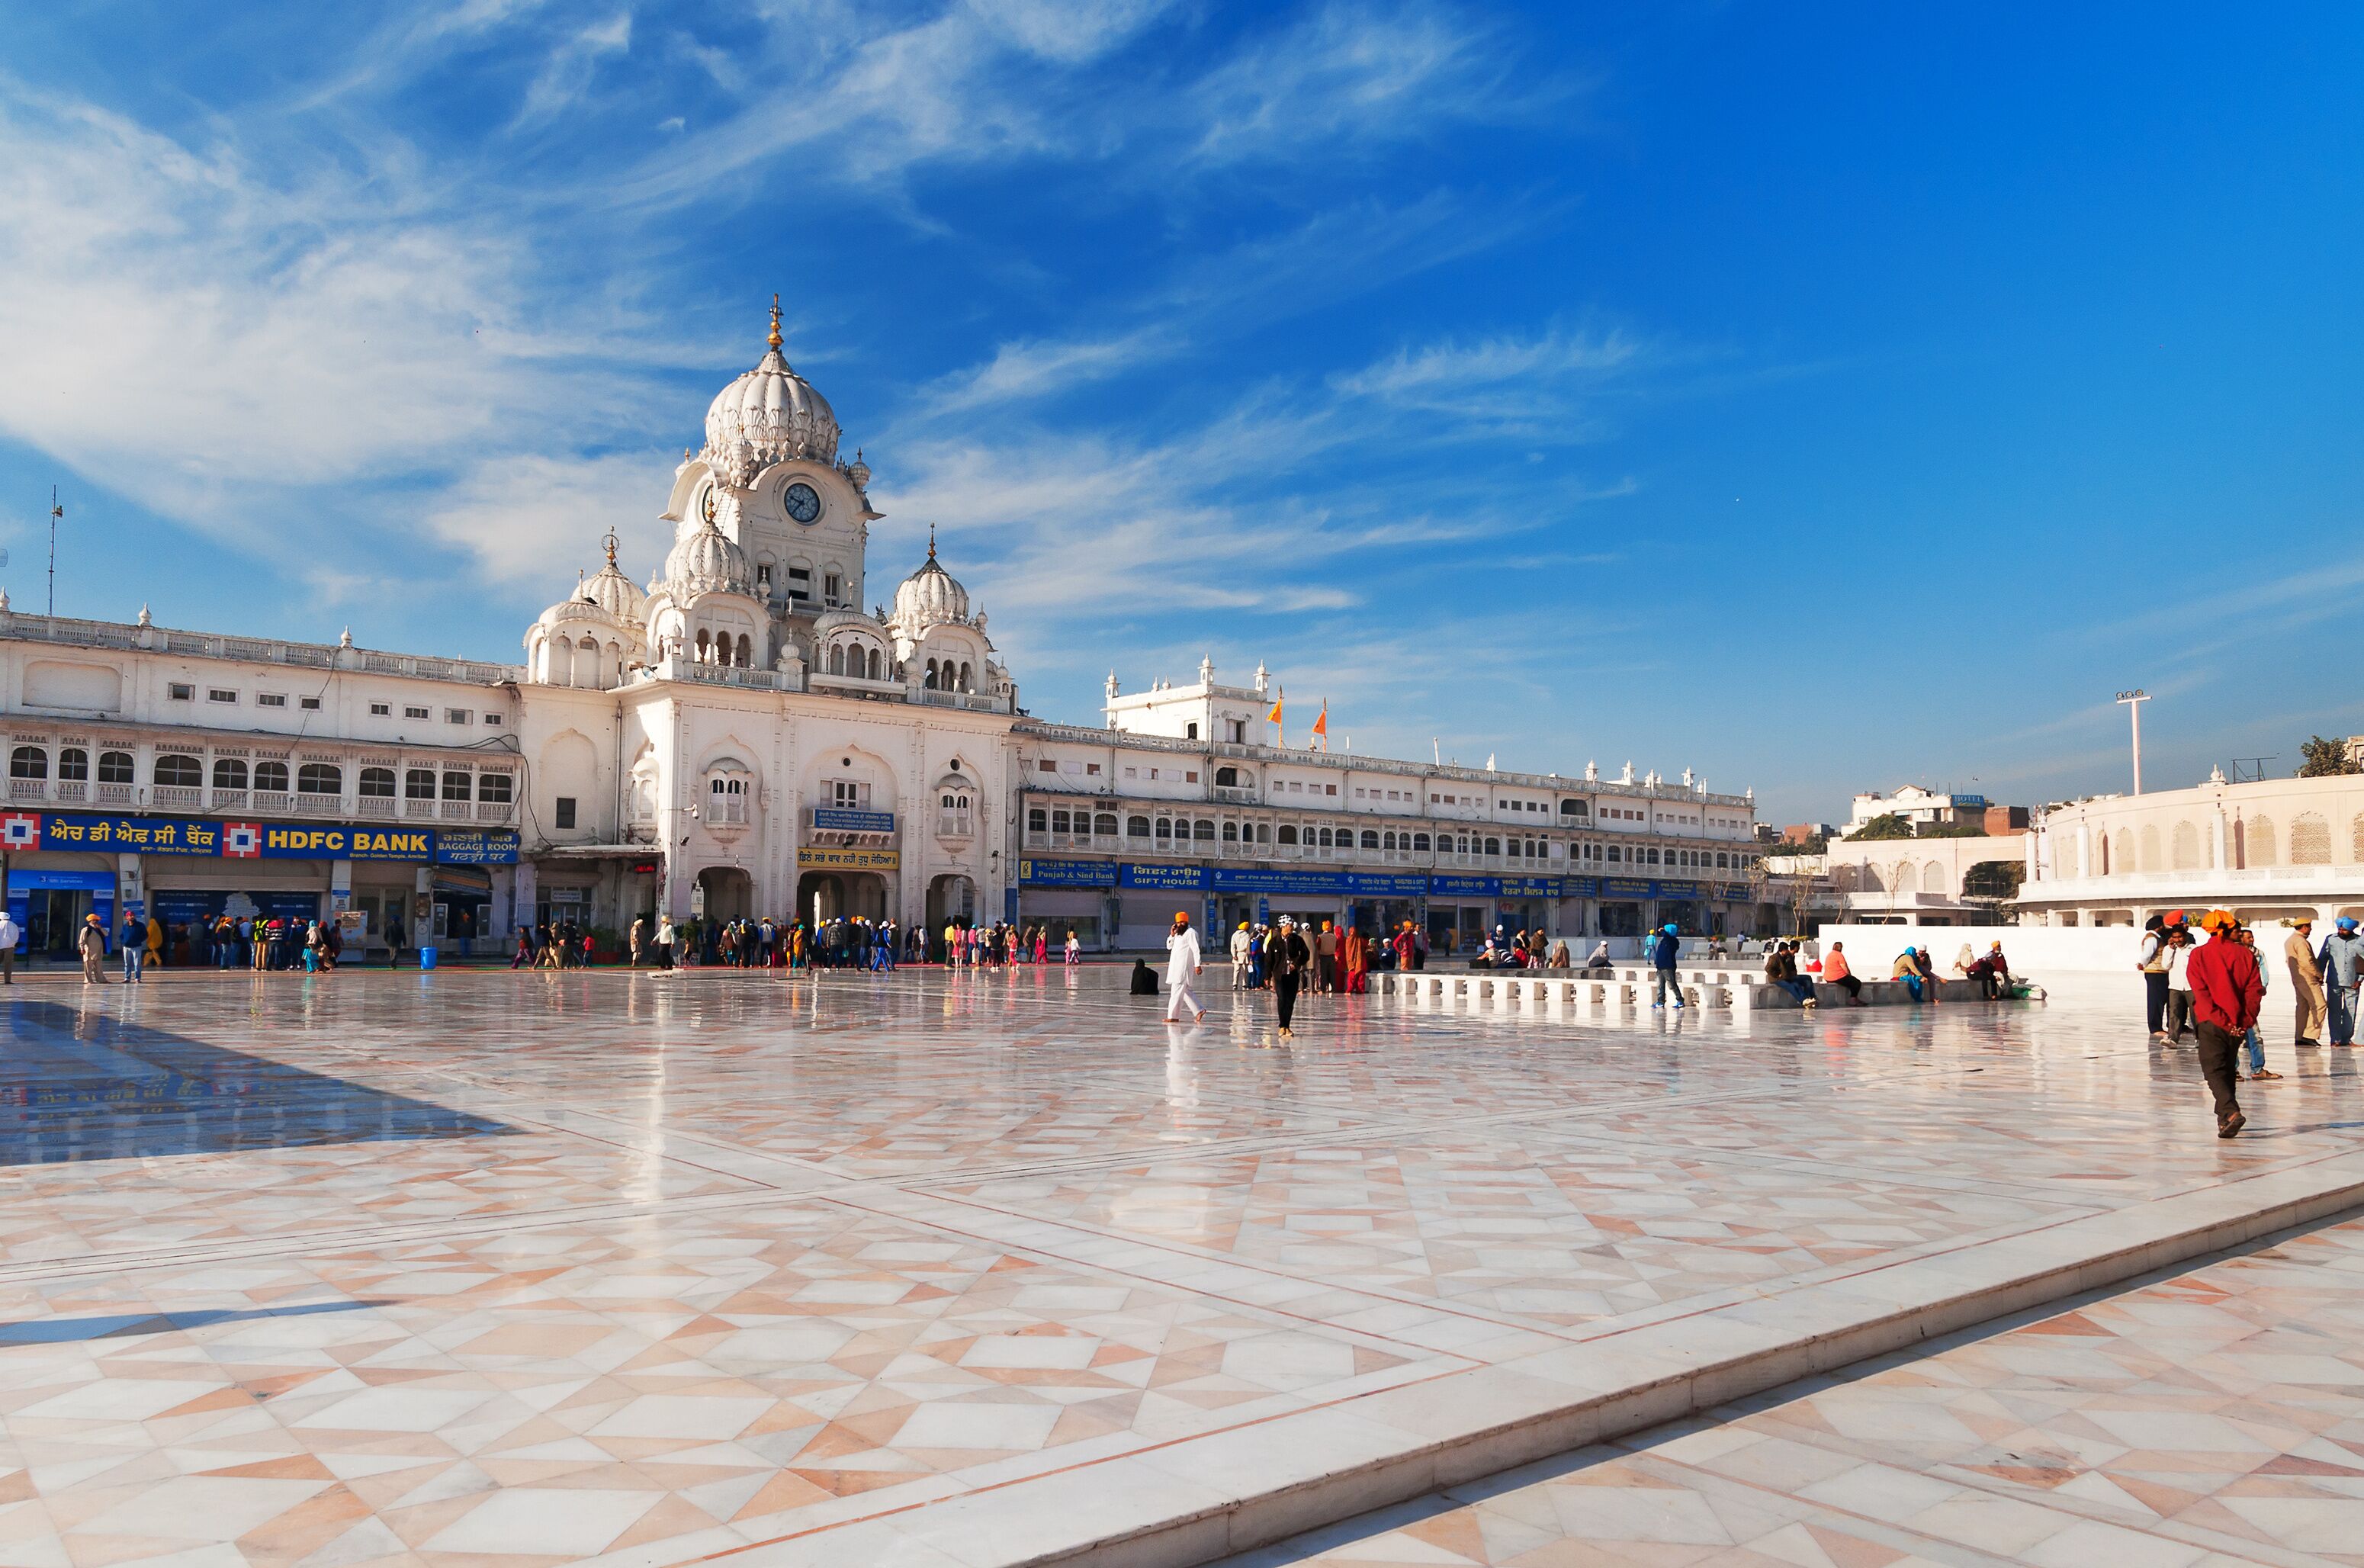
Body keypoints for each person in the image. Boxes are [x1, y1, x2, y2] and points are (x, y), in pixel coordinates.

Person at [2186, 909, 2261, 1137]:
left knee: (2213, 1069)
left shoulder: (2199, 955)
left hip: (2212, 1022)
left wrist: (2223, 1021)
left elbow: (2201, 993)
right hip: (2239, 1023)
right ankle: (2224, 1119)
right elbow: (2254, 991)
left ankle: (2230, 1112)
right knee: (2227, 1069)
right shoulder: (2246, 955)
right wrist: (2245, 1020)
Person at [2237, 924, 2280, 1081]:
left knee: (2254, 1035)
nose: (2252, 940)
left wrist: (2261, 987)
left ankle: (2258, 1068)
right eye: (2248, 937)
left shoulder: (2258, 954)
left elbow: (2263, 972)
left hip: (2250, 999)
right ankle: (2233, 1070)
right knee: (2234, 1036)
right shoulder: (2235, 953)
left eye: (2252, 937)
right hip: (2235, 1000)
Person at [2318, 917, 2364, 1047]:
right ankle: (2335, 1038)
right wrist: (2320, 974)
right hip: (2334, 981)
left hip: (2352, 981)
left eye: (2344, 930)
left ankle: (2346, 1038)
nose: (2341, 931)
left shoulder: (2358, 941)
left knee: (2351, 1010)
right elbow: (2323, 958)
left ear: (2351, 930)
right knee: (2334, 1010)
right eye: (2340, 929)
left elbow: (2362, 962)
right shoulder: (2331, 939)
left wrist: (2360, 979)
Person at [2283, 917, 2324, 1048]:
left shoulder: (2290, 940)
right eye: (2309, 926)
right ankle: (2309, 1035)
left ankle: (2300, 1036)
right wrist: (2318, 974)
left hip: (2297, 977)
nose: (2311, 929)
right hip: (2308, 978)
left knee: (2303, 1006)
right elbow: (2307, 962)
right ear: (2305, 927)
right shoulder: (2301, 942)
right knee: (2320, 1005)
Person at [1269, 916, 1312, 1039]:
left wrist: (1297, 964)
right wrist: (1267, 976)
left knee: (1290, 1001)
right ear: (1283, 926)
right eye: (1289, 925)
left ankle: (1287, 1026)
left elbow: (1306, 954)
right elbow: (1268, 960)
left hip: (1292, 975)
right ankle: (1282, 1026)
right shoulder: (1274, 941)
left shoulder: (1297, 939)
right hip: (1279, 975)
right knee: (1282, 999)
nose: (1291, 927)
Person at [1164, 911, 1206, 1023]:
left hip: (1183, 968)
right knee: (1186, 992)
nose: (1180, 924)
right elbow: (1169, 946)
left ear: (1186, 921)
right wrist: (1172, 935)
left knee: (1176, 992)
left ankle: (1172, 1017)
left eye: (1182, 922)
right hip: (1175, 967)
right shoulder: (1178, 934)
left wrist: (1198, 965)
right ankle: (1199, 1010)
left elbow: (1196, 949)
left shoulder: (1191, 932)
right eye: (1178, 922)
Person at [2138, 914, 2171, 1040]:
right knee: (2155, 1001)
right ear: (2158, 927)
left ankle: (2157, 1026)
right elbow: (2147, 955)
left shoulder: (2157, 937)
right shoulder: (2152, 938)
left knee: (2160, 1000)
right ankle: (2155, 1028)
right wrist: (2143, 965)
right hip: (2155, 972)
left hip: (2159, 972)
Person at [2161, 927, 2195, 1043]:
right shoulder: (2168, 949)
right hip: (2175, 986)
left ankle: (2200, 1038)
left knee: (2196, 1014)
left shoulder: (2193, 949)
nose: (2178, 940)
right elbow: (2165, 966)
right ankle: (2173, 1038)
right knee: (2174, 1012)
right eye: (2175, 937)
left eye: (2180, 937)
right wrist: (2170, 950)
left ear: (2185, 936)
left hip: (2191, 986)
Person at [1766, 941, 1816, 1007]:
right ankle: (1803, 1000)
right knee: (1791, 986)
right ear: (1784, 950)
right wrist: (1777, 974)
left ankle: (1806, 999)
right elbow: (1768, 968)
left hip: (1786, 977)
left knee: (1797, 985)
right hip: (1777, 979)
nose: (1788, 951)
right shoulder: (1774, 958)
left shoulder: (1786, 956)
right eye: (1787, 949)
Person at [1649, 923, 1685, 1010]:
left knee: (1671, 984)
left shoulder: (1672, 941)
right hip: (1660, 966)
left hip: (1668, 966)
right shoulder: (1665, 940)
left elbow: (1666, 935)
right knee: (1660, 985)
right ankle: (1660, 1001)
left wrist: (1662, 930)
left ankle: (1680, 1000)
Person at [1824, 940, 1865, 1005]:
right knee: (1856, 982)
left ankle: (1855, 998)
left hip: (1828, 977)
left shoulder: (1830, 954)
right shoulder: (1839, 955)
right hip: (1838, 977)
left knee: (1851, 982)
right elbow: (1844, 967)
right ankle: (1853, 999)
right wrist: (1850, 975)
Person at [79, 912, 108, 984]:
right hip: (89, 952)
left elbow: (106, 934)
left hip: (98, 952)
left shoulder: (99, 929)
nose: (96, 922)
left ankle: (101, 980)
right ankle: (88, 980)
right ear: (90, 921)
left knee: (99, 968)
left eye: (97, 920)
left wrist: (100, 928)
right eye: (94, 920)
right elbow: (82, 940)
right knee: (88, 968)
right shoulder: (86, 929)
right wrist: (82, 948)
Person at [119, 910, 145, 983]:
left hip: (137, 947)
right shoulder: (125, 927)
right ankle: (127, 978)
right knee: (127, 963)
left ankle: (137, 978)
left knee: (137, 963)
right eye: (130, 916)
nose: (132, 917)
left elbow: (145, 935)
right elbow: (121, 936)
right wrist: (123, 942)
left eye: (133, 915)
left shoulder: (140, 925)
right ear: (127, 917)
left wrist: (139, 940)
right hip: (127, 947)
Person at [1314, 921, 1340, 993]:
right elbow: (1337, 947)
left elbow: (1318, 946)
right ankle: (1333, 988)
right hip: (1332, 957)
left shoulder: (1320, 937)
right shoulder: (1334, 937)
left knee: (1324, 973)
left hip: (1323, 957)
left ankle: (1323, 988)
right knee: (1332, 973)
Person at [1229, 921, 1252, 988]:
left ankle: (1235, 984)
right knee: (1245, 970)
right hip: (1245, 954)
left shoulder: (1234, 935)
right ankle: (1245, 983)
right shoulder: (1247, 935)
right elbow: (1247, 946)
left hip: (1237, 954)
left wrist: (1234, 955)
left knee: (1236, 970)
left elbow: (1232, 946)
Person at [0, 906, 16, 983]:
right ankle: (7, 980)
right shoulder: (13, 925)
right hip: (10, 947)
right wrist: (13, 943)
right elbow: (16, 935)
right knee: (8, 964)